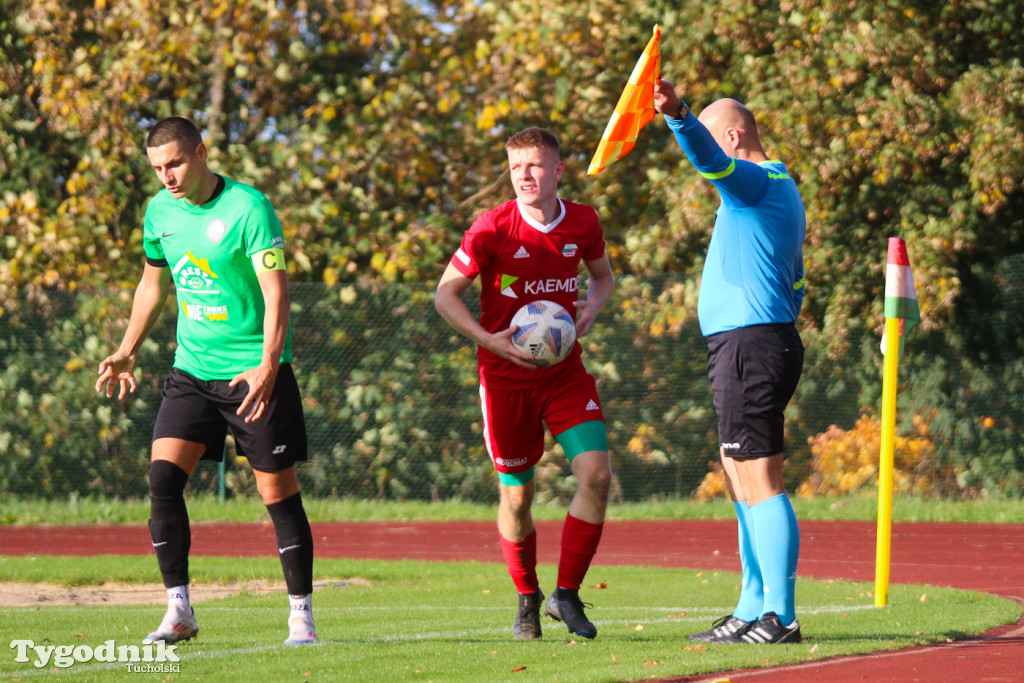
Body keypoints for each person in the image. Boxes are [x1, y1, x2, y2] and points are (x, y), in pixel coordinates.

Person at [96, 116, 317, 646]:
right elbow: (153, 285)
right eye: (157, 168)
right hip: (192, 371)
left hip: (253, 375)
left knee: (276, 493)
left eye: (174, 162)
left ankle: (301, 617)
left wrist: (268, 363)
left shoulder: (249, 208)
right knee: (162, 480)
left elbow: (276, 293)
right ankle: (179, 612)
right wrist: (127, 350)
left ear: (200, 152)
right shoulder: (159, 212)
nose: (166, 176)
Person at [434, 127, 615, 640]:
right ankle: (527, 598)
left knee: (597, 477)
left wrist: (593, 309)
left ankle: (567, 595)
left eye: (535, 166)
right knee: (517, 498)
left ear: (558, 170)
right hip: (505, 381)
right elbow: (445, 297)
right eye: (516, 168)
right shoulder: (492, 227)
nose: (525, 176)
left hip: (564, 374)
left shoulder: (583, 221)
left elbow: (603, 278)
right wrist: (491, 341)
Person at [653, 82, 806, 645]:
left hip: (751, 344)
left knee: (760, 479)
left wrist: (679, 117)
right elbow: (796, 281)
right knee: (739, 475)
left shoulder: (760, 184)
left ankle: (780, 617)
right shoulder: (775, 195)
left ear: (735, 136)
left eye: (722, 142)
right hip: (746, 344)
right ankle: (751, 607)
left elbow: (714, 164)